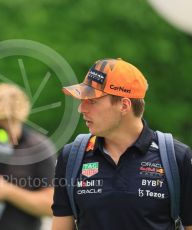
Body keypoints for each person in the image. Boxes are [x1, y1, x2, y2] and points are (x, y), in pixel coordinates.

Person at [51, 58, 192, 230]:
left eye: (92, 101)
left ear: (124, 105)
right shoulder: (72, 156)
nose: (81, 109)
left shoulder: (176, 157)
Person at [0, 83, 56, 230]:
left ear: (18, 118)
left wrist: (7, 192)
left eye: (2, 127)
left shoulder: (38, 147)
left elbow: (51, 205)